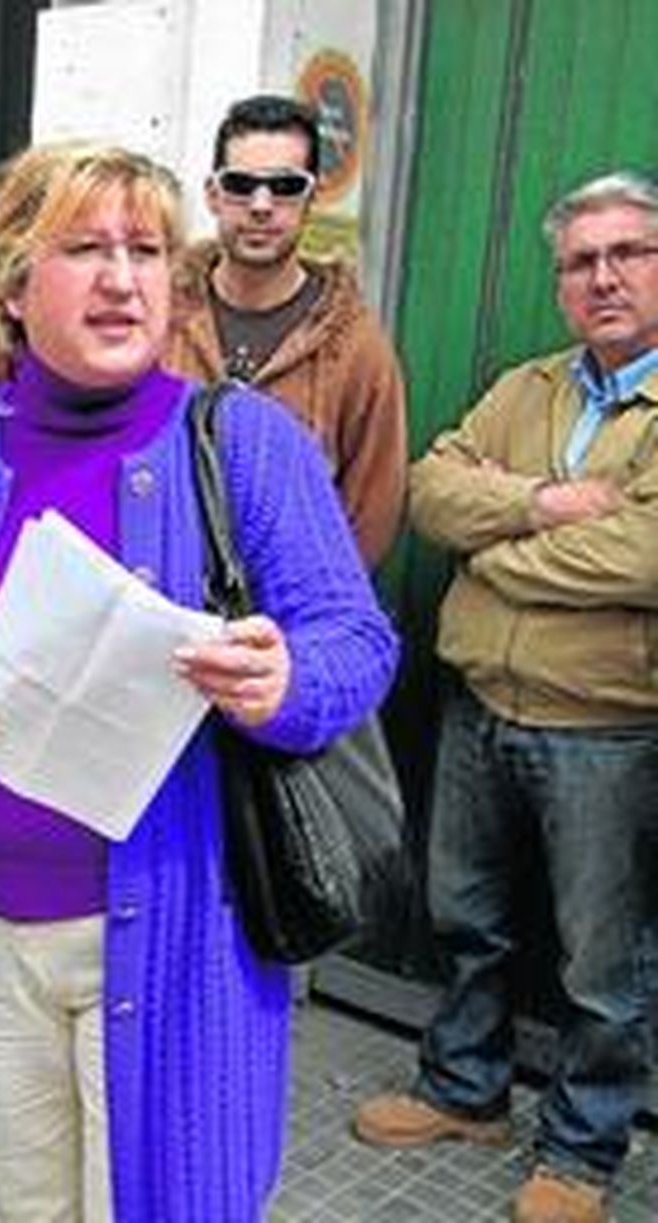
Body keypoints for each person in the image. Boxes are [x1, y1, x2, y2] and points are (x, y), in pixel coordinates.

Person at [0, 142, 397, 1221]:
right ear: (13, 283)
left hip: (181, 938)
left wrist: (285, 680)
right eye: (85, 248)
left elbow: (355, 641)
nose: (124, 279)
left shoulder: (245, 443)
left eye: (147, 251)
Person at [352, 171, 658, 1223]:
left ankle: (581, 1149)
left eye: (627, 254)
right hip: (482, 705)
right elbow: (434, 490)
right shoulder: (527, 389)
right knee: (467, 918)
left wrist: (495, 557)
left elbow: (645, 554)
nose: (602, 277)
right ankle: (464, 1090)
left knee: (602, 962)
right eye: (580, 261)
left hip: (608, 726)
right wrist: (543, 502)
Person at [166, 95, 407, 568]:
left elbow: (371, 514)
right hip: (156, 595)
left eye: (285, 187)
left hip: (284, 608)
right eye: (241, 185)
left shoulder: (358, 349)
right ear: (213, 194)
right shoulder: (160, 315)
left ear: (312, 198)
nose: (261, 206)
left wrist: (307, 605)